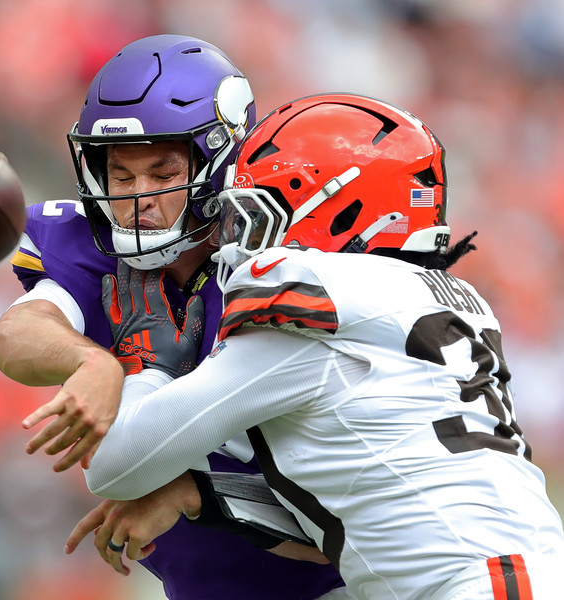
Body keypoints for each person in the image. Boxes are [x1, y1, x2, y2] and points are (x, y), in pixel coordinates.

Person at [39, 93, 564, 599]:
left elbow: (117, 466)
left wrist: (147, 363)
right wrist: (200, 496)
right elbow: (358, 505)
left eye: (255, 213)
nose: (236, 237)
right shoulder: (441, 298)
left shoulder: (313, 310)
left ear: (337, 210)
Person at [0, 36, 347, 599]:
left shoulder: (279, 270)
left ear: (219, 163)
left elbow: (353, 522)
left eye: (161, 174)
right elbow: (17, 333)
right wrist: (88, 361)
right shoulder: (95, 249)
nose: (138, 200)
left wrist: (197, 495)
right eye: (122, 176)